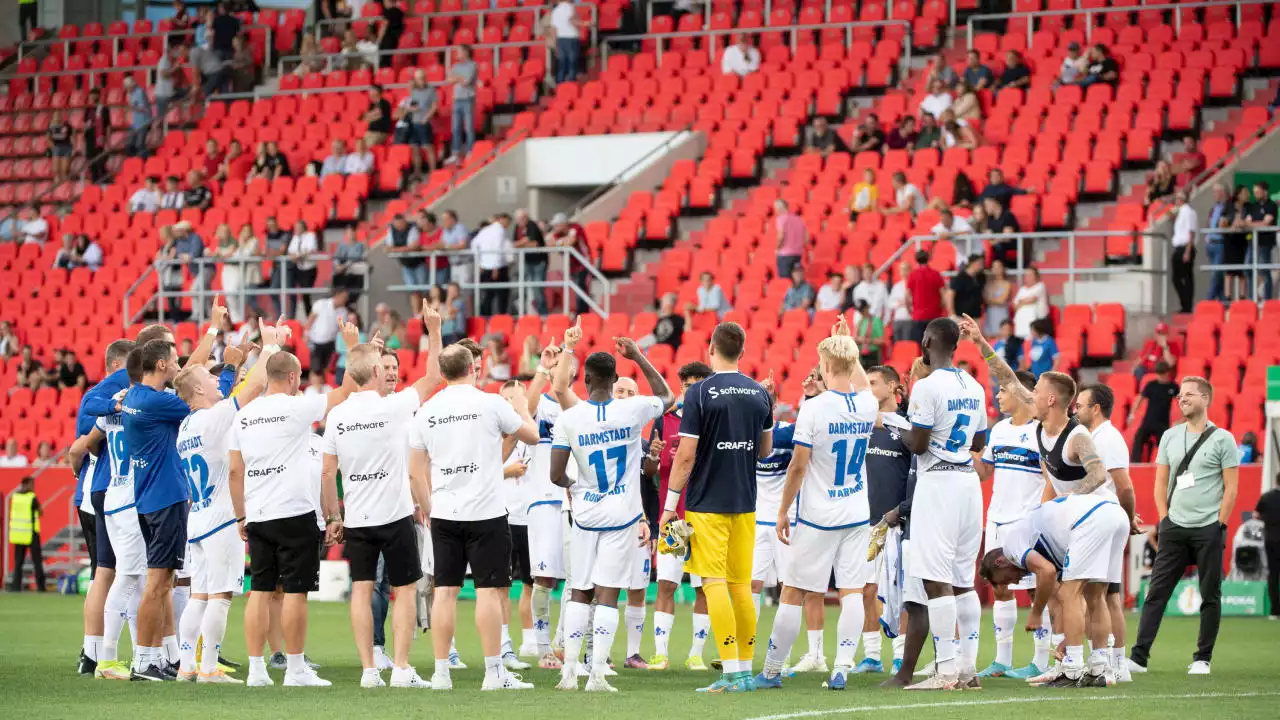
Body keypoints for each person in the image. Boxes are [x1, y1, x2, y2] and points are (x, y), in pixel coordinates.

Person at [230, 322, 360, 688]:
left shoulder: (242, 415)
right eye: (298, 377)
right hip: (294, 512)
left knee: (259, 591)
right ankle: (296, 669)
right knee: (296, 593)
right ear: (290, 377)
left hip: (257, 513)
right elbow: (348, 390)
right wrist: (350, 347)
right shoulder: (297, 407)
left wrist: (241, 514)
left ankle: (256, 670)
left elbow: (235, 471)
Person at [408, 343, 540, 691]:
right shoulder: (491, 402)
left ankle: (440, 673)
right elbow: (533, 436)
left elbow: (415, 473)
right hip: (486, 512)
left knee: (445, 592)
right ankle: (493, 672)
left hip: (445, 513)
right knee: (487, 592)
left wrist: (430, 509)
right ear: (473, 368)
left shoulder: (427, 410)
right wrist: (523, 408)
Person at [323, 305, 442, 688]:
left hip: (356, 518)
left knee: (360, 589)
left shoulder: (337, 415)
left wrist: (332, 518)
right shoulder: (394, 406)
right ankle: (403, 668)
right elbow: (434, 375)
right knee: (404, 590)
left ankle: (369, 671)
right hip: (394, 515)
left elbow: (328, 472)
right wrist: (434, 330)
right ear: (376, 372)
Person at [548, 330, 674, 691]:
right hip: (622, 516)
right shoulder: (631, 408)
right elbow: (666, 396)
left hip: (585, 516)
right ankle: (599, 675)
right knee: (608, 594)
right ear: (615, 380)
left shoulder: (569, 419)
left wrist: (577, 486)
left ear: (585, 379)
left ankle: (569, 672)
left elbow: (556, 474)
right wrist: (638, 355)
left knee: (579, 593)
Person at [756, 319, 876, 691]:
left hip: (819, 516)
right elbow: (864, 384)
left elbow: (798, 466)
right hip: (857, 512)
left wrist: (781, 511)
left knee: (793, 590)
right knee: (851, 591)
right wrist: (846, 342)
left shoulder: (814, 408)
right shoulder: (869, 404)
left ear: (825, 367)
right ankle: (841, 667)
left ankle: (772, 670)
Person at [660, 322, 775, 693]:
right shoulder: (760, 394)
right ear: (742, 350)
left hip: (707, 503)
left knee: (713, 585)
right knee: (741, 586)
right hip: (745, 501)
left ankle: (730, 673)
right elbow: (766, 451)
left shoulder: (700, 392)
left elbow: (686, 456)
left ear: (711, 348)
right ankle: (744, 671)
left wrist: (669, 506)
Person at [172, 321, 283, 684]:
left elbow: (237, 388)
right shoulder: (212, 418)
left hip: (198, 518)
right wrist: (268, 347)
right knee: (220, 597)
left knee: (199, 596)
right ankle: (209, 669)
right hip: (221, 518)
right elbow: (253, 388)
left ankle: (188, 665)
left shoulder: (186, 427)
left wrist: (244, 360)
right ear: (198, 390)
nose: (215, 378)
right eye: (208, 375)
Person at [898, 317, 988, 690]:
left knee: (936, 580)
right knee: (963, 579)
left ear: (928, 341)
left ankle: (946, 671)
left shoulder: (926, 385)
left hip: (938, 480)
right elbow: (979, 440)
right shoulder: (974, 385)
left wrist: (898, 427)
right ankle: (968, 669)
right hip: (968, 482)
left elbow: (917, 444)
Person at [1130, 376, 1240, 676]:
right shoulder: (1169, 437)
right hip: (1174, 527)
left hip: (1208, 528)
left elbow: (1231, 488)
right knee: (1156, 593)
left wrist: (1220, 523)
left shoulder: (1224, 439)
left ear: (1206, 398)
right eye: (1180, 395)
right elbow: (1160, 482)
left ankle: (1203, 658)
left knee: (1210, 595)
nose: (1182, 399)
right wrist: (1164, 518)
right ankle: (1138, 657)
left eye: (1189, 394)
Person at [979, 492, 1129, 687]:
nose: (1016, 580)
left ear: (1000, 562)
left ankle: (1072, 669)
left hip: (1090, 518)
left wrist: (1036, 613)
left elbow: (1047, 573)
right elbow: (1074, 604)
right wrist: (1069, 638)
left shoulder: (1011, 546)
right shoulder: (1047, 544)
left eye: (1006, 579)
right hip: (1116, 515)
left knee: (1071, 593)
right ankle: (1100, 667)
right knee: (1095, 595)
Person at [972, 371, 1049, 679]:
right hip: (997, 520)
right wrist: (968, 455)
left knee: (1034, 590)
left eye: (1003, 390)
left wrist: (1040, 516)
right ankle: (1003, 659)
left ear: (1022, 393)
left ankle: (1041, 661)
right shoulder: (1000, 429)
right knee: (1000, 586)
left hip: (1027, 522)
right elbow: (985, 472)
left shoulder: (1041, 433)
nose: (998, 396)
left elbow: (1051, 478)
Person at [1074, 383, 1141, 683]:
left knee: (1102, 595)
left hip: (1105, 521)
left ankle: (1115, 662)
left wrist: (1128, 520)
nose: (1076, 410)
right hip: (1101, 520)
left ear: (1096, 408)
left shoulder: (1108, 438)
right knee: (1105, 593)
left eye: (1081, 405)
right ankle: (1115, 662)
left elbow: (1124, 486)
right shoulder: (1095, 436)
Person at [1129, 360, 1178, 463]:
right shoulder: (1151, 385)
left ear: (1167, 373)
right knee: (1138, 439)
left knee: (1165, 447)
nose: (1160, 377)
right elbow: (1140, 399)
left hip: (1163, 424)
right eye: (1158, 374)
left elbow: (1181, 402)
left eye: (1162, 374)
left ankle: (1166, 467)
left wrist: (1183, 418)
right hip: (1148, 421)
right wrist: (1132, 414)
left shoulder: (1173, 387)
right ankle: (1135, 464)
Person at [399, 69, 438, 178]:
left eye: (422, 78)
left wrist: (426, 118)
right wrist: (410, 108)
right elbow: (413, 105)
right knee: (415, 148)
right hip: (413, 122)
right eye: (418, 78)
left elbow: (434, 106)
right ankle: (417, 172)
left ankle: (432, 172)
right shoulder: (414, 91)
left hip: (423, 122)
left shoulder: (431, 90)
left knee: (428, 147)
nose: (421, 80)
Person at [7, 476, 43, 591]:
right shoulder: (32, 497)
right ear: (27, 484)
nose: (33, 487)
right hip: (31, 533)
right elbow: (40, 512)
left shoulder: (15, 497)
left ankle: (15, 586)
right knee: (37, 561)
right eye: (32, 484)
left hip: (18, 534)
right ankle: (41, 587)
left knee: (18, 562)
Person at [473, 213, 514, 316]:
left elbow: (474, 244)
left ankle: (485, 317)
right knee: (501, 295)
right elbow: (498, 248)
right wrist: (495, 267)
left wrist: (479, 263)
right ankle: (501, 317)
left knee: (487, 295)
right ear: (502, 220)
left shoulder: (485, 230)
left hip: (485, 267)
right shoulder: (499, 231)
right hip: (498, 267)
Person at [1166, 190, 1199, 313]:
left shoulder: (1189, 212)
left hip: (1185, 246)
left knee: (1185, 277)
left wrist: (1188, 251)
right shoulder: (1180, 212)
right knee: (1178, 278)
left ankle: (1187, 304)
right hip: (1179, 246)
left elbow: (1191, 232)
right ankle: (1185, 303)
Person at [1243, 180, 1277, 300]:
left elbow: (1266, 223)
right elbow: (1247, 221)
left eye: (1258, 192)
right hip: (1252, 242)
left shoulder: (1271, 205)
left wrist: (1252, 224)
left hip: (1265, 243)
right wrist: (1255, 224)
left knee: (1263, 269)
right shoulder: (1253, 206)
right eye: (1254, 192)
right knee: (1247, 268)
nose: (1256, 194)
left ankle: (1267, 298)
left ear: (1265, 192)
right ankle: (1252, 297)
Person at [905, 250, 945, 343]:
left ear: (916, 260)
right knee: (934, 344)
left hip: (918, 315)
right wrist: (943, 306)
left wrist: (909, 310)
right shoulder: (935, 274)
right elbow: (943, 294)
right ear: (928, 259)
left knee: (919, 345)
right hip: (934, 315)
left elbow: (906, 295)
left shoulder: (913, 274)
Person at [306, 288, 348, 376]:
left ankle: (324, 387)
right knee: (315, 367)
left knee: (326, 367)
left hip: (330, 342)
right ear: (337, 296)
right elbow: (310, 319)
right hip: (315, 340)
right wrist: (306, 334)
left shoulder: (344, 311)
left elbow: (341, 328)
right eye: (343, 297)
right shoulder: (321, 303)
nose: (345, 300)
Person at [447, 45, 478, 162]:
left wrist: (457, 78)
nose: (457, 53)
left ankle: (470, 151)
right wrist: (459, 78)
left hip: (467, 98)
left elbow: (467, 81)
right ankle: (456, 153)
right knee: (455, 127)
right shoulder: (456, 66)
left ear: (465, 52)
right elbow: (449, 79)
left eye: (459, 51)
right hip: (457, 99)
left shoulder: (472, 65)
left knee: (468, 127)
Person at [1256, 485, 1280, 620]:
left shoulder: (1267, 497)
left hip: (1271, 539)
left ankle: (1275, 611)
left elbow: (1256, 514)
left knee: (1273, 574)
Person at [1011, 266, 1048, 340]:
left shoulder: (1040, 286)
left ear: (1036, 276)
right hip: (1021, 319)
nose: (1028, 277)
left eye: (1031, 275)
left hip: (1039, 321)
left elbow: (1032, 300)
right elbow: (1014, 306)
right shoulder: (1022, 289)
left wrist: (1021, 302)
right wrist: (1023, 302)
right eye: (1027, 275)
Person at [549, 0, 582, 84]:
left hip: (561, 39)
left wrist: (555, 43)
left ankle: (560, 85)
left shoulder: (555, 11)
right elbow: (573, 21)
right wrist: (587, 23)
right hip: (571, 38)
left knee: (562, 64)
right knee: (572, 64)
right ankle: (571, 85)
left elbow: (553, 29)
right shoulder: (570, 7)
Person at [83, 88, 111, 182]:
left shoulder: (104, 109)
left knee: (101, 163)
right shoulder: (88, 109)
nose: (92, 97)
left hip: (100, 140)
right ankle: (95, 184)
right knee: (92, 165)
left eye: (94, 95)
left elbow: (108, 126)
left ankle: (105, 182)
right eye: (91, 95)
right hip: (89, 140)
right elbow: (85, 125)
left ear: (98, 96)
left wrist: (108, 142)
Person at [946, 254, 985, 320]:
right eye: (980, 263)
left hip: (975, 315)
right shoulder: (960, 277)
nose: (982, 266)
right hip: (961, 315)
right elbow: (950, 295)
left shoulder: (980, 277)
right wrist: (952, 314)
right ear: (972, 263)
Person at [774, 200, 807, 278]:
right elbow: (806, 239)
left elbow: (781, 236)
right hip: (797, 254)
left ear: (779, 208)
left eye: (775, 207)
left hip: (785, 254)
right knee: (795, 279)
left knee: (785, 281)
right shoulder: (799, 219)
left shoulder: (781, 218)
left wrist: (777, 248)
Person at [982, 259, 1012, 336]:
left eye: (998, 267)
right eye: (994, 267)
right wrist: (995, 300)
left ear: (1003, 268)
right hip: (990, 314)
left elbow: (1002, 300)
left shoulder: (1007, 284)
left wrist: (990, 300)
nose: (996, 269)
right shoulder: (988, 284)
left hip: (1001, 313)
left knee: (1003, 335)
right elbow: (985, 300)